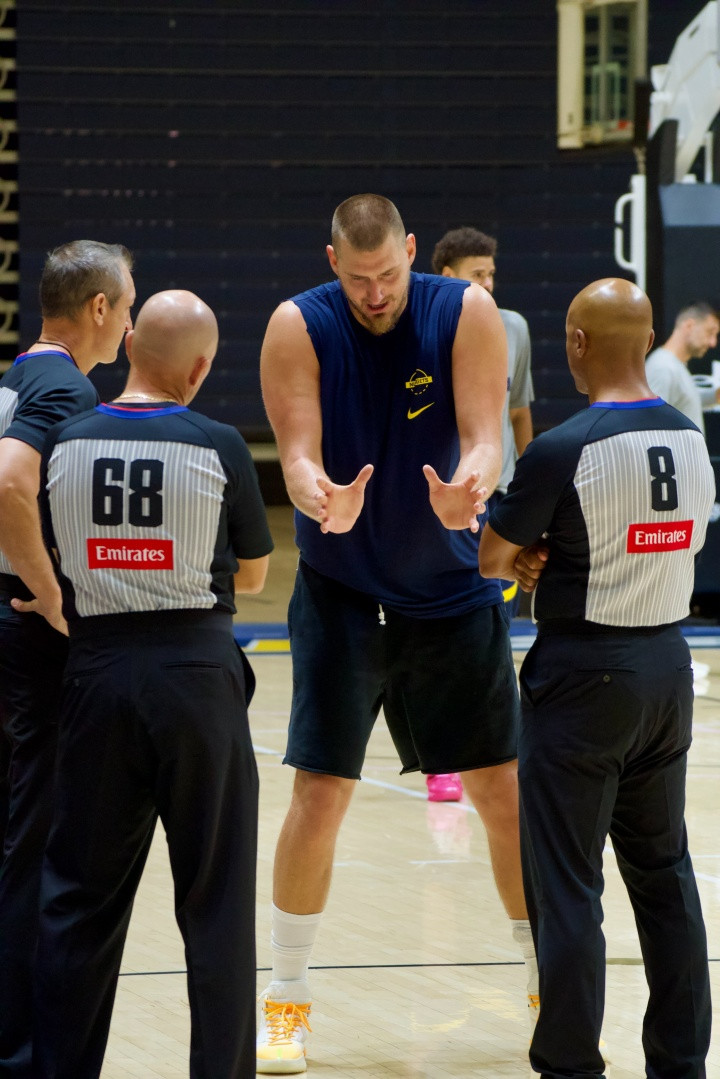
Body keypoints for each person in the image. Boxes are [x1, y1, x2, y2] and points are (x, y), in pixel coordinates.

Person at [256, 193, 537, 1075]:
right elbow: (296, 451)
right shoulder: (297, 325)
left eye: (387, 275)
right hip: (341, 592)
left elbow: (485, 436)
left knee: (503, 791)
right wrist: (314, 493)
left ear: (412, 251)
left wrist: (470, 487)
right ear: (331, 262)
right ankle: (286, 1003)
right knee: (319, 794)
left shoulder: (468, 310)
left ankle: (550, 986)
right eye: (358, 278)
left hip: (451, 591)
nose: (375, 293)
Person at [29, 290, 273, 1079]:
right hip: (196, 679)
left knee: (78, 898)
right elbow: (257, 575)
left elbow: (54, 548)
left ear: (130, 343)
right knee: (216, 901)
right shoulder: (219, 444)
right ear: (199, 369)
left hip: (95, 675)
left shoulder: (65, 439)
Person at [479, 278, 713, 1079]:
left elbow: (493, 558)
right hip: (668, 669)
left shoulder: (562, 447)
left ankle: (572, 1065)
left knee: (569, 884)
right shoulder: (691, 438)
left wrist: (532, 555)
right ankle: (681, 1062)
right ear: (646, 340)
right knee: (666, 875)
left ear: (576, 343)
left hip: (583, 677)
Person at [0, 239, 135, 1076]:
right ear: (98, 307)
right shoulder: (65, 385)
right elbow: (11, 483)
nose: (129, 324)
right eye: (127, 305)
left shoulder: (18, 374)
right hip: (30, 635)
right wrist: (49, 592)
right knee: (37, 846)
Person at [428, 226, 535, 803]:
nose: (489, 284)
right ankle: (443, 760)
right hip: (450, 499)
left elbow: (518, 412)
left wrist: (535, 485)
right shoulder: (426, 330)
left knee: (496, 625)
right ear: (447, 278)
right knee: (453, 629)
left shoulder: (513, 327)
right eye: (477, 275)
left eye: (492, 274)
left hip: (506, 493)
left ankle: (497, 751)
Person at [645, 301, 720, 435]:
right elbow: (651, 425)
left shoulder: (673, 365)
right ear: (689, 326)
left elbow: (683, 401)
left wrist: (715, 396)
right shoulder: (663, 367)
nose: (713, 343)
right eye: (710, 332)